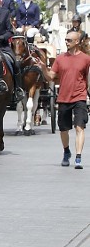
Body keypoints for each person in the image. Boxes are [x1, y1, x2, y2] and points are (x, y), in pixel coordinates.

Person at [35, 32, 90, 169]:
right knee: (63, 129)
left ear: (77, 42)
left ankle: (78, 157)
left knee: (80, 127)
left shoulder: (86, 59)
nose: (66, 42)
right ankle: (66, 152)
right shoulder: (60, 59)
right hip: (64, 97)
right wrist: (43, 68)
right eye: (65, 40)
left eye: (69, 40)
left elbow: (88, 79)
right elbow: (50, 77)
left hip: (80, 97)